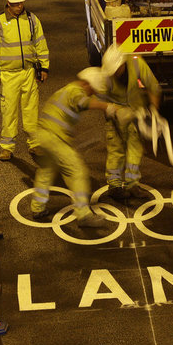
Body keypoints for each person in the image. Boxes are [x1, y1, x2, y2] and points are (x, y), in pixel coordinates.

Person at [30, 68, 135, 228]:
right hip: (53, 138)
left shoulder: (67, 90)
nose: (92, 93)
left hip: (43, 136)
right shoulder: (75, 91)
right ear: (87, 83)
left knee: (46, 170)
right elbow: (83, 102)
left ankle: (37, 207)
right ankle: (84, 215)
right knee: (77, 172)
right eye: (92, 89)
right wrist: (108, 107)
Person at [0, 0, 49, 161]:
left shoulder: (31, 19)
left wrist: (44, 67)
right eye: (15, 4)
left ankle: (34, 144)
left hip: (28, 72)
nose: (18, 6)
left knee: (31, 111)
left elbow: (40, 44)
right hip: (8, 75)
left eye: (20, 3)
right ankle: (7, 148)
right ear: (7, 2)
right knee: (9, 113)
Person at [100, 43, 162, 200]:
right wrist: (112, 110)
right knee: (115, 151)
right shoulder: (106, 75)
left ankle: (132, 184)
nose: (114, 74)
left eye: (117, 70)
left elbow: (153, 87)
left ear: (122, 63)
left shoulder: (136, 63)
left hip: (135, 116)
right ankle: (114, 186)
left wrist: (153, 112)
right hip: (115, 119)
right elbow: (100, 100)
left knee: (135, 150)